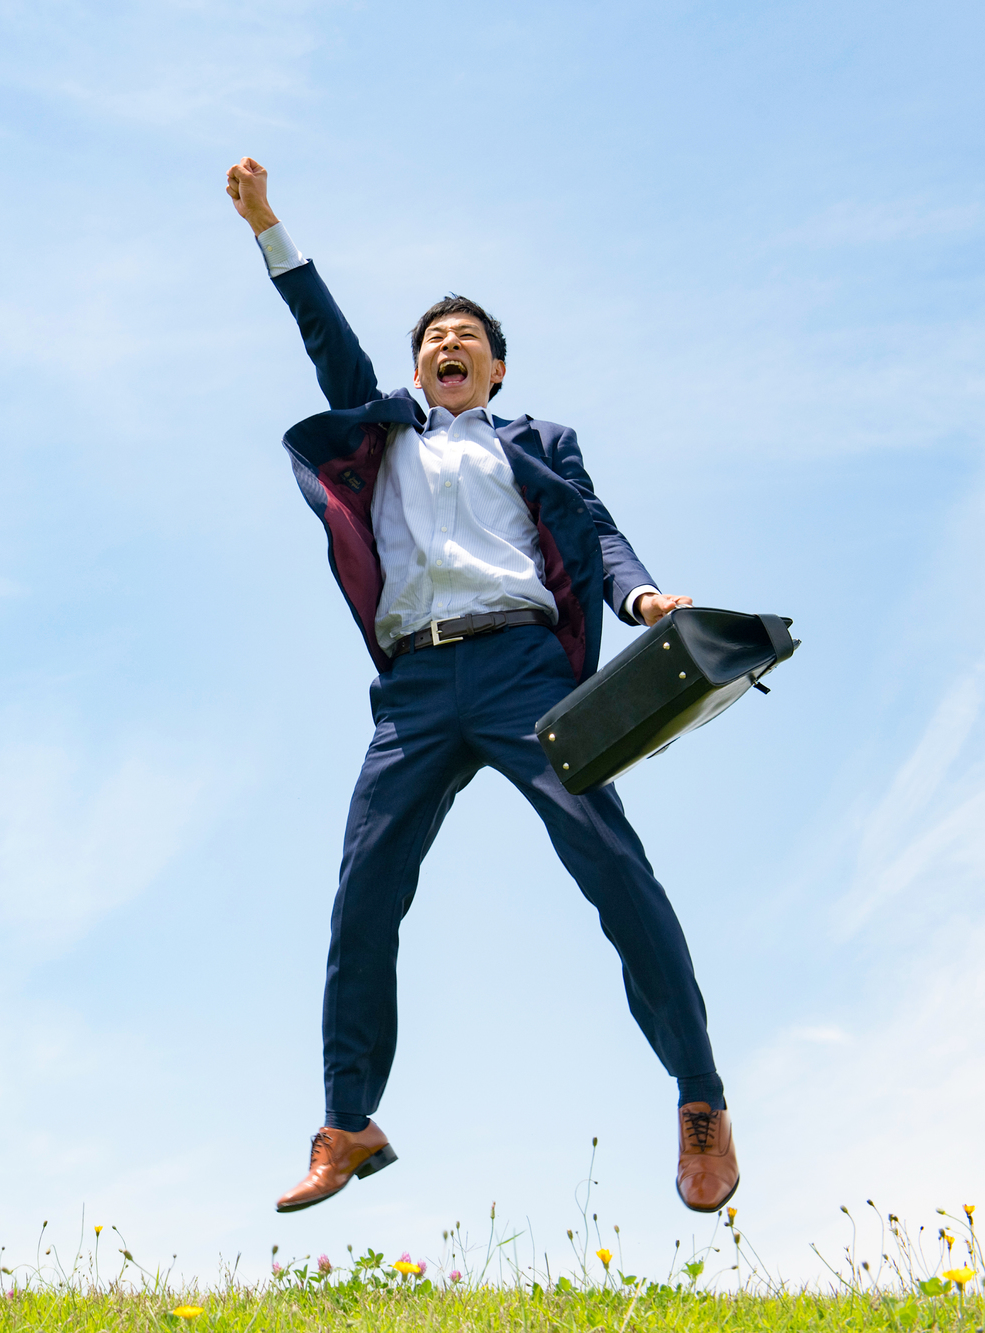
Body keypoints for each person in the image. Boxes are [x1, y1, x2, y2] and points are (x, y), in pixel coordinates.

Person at [224, 157, 738, 1215]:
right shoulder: (383, 433)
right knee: (364, 889)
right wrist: (270, 227)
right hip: (415, 687)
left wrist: (642, 599)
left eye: (465, 338)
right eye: (431, 339)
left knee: (611, 865)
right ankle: (347, 1119)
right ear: (417, 368)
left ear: (495, 369)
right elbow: (325, 337)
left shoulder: (535, 443)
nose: (445, 345)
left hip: (520, 671)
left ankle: (698, 1094)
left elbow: (593, 532)